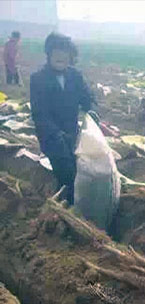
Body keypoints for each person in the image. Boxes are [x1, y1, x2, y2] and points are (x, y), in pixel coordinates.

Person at [30, 33, 98, 205]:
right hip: (51, 137)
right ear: (49, 54)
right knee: (67, 173)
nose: (61, 56)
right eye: (56, 52)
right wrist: (56, 134)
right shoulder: (38, 79)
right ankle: (68, 207)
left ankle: (73, 200)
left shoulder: (75, 76)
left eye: (65, 53)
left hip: (73, 134)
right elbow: (40, 114)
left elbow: (88, 99)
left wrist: (92, 111)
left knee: (81, 171)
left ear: (70, 56)